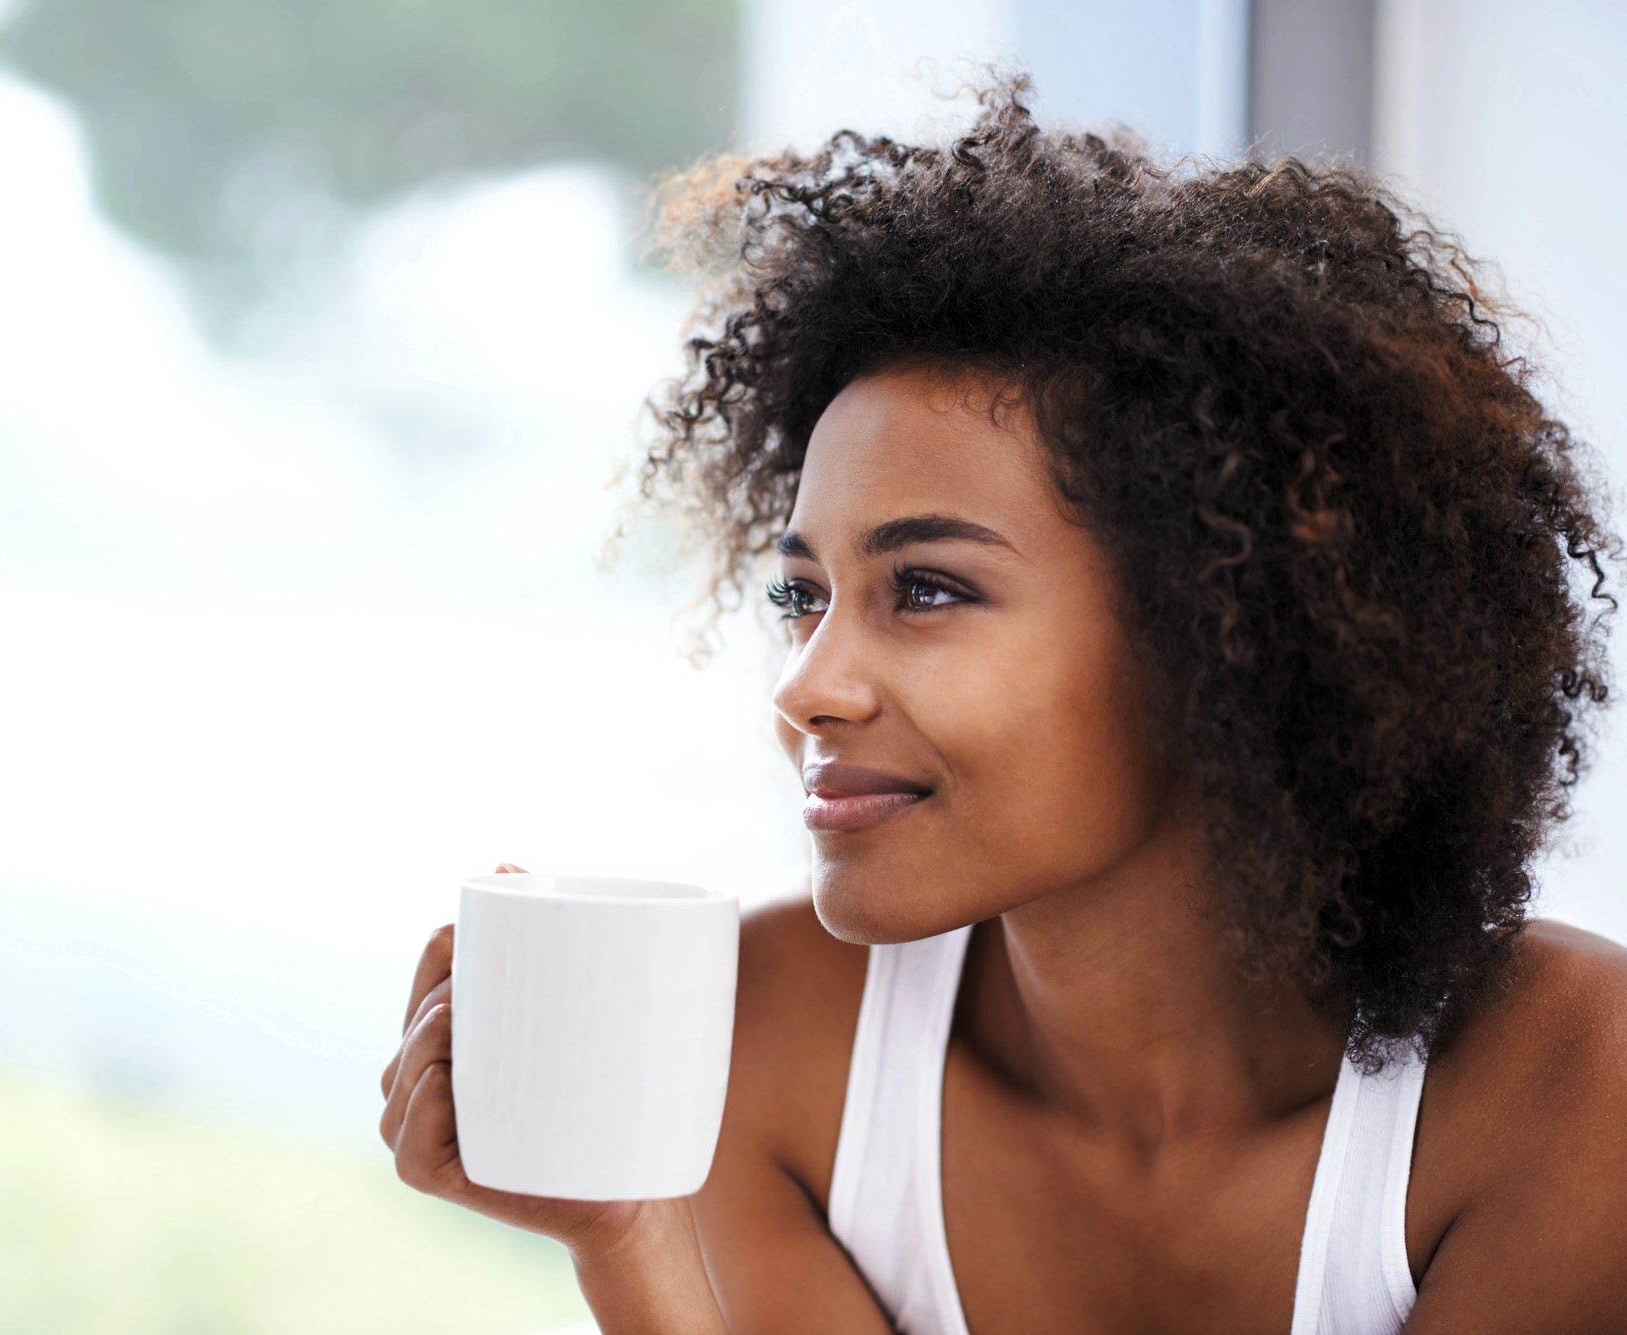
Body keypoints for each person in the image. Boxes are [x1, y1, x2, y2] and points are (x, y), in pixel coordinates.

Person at [377, 75, 1627, 1332]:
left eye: (923, 589)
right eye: (801, 595)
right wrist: (625, 1230)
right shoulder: (764, 1036)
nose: (805, 687)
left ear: (1225, 638)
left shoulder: (1573, 1084)